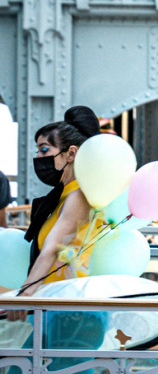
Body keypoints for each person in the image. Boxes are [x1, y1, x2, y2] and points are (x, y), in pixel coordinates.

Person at [11, 107, 103, 320]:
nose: (38, 158)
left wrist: (24, 295)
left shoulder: (79, 195)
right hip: (57, 308)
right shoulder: (63, 196)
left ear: (71, 153)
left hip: (72, 314)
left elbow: (52, 248)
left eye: (44, 150)